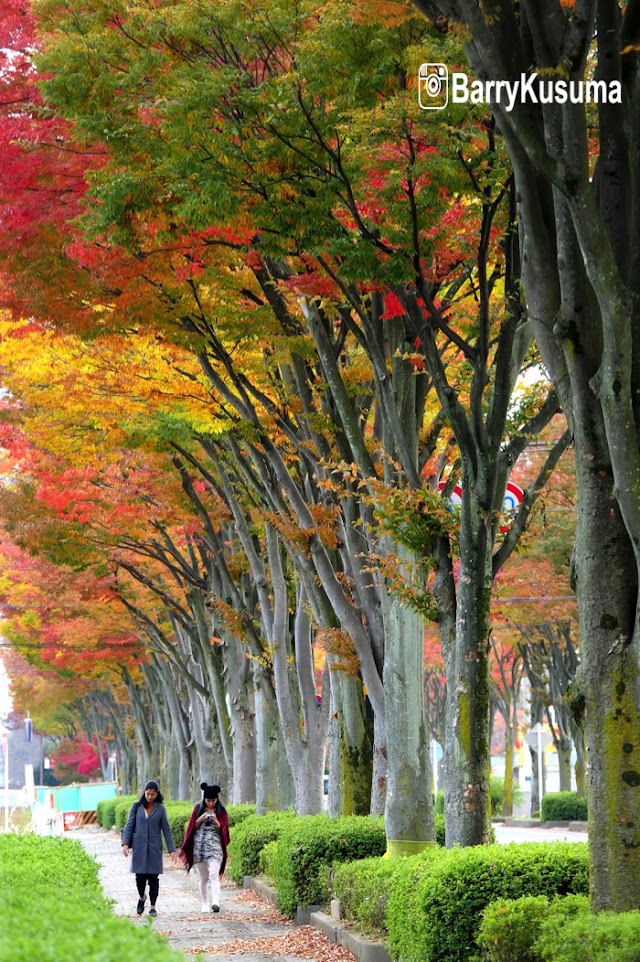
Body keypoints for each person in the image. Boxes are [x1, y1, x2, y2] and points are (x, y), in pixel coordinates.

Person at [121, 779, 178, 917]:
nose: (149, 797)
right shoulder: (136, 807)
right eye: (147, 794)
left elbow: (166, 830)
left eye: (152, 794)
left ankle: (152, 906)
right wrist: (125, 844)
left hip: (154, 849)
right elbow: (129, 825)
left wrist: (172, 850)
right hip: (139, 848)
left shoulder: (160, 809)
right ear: (144, 792)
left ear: (157, 794)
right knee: (139, 878)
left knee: (153, 879)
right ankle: (142, 897)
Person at [179, 782, 230, 913]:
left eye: (213, 801)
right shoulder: (198, 809)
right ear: (204, 799)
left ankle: (215, 901)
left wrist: (217, 822)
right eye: (208, 801)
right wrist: (200, 819)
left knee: (214, 874)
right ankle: (205, 902)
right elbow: (192, 828)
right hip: (200, 848)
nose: (211, 803)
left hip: (215, 848)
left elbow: (224, 832)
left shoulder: (222, 811)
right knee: (203, 877)